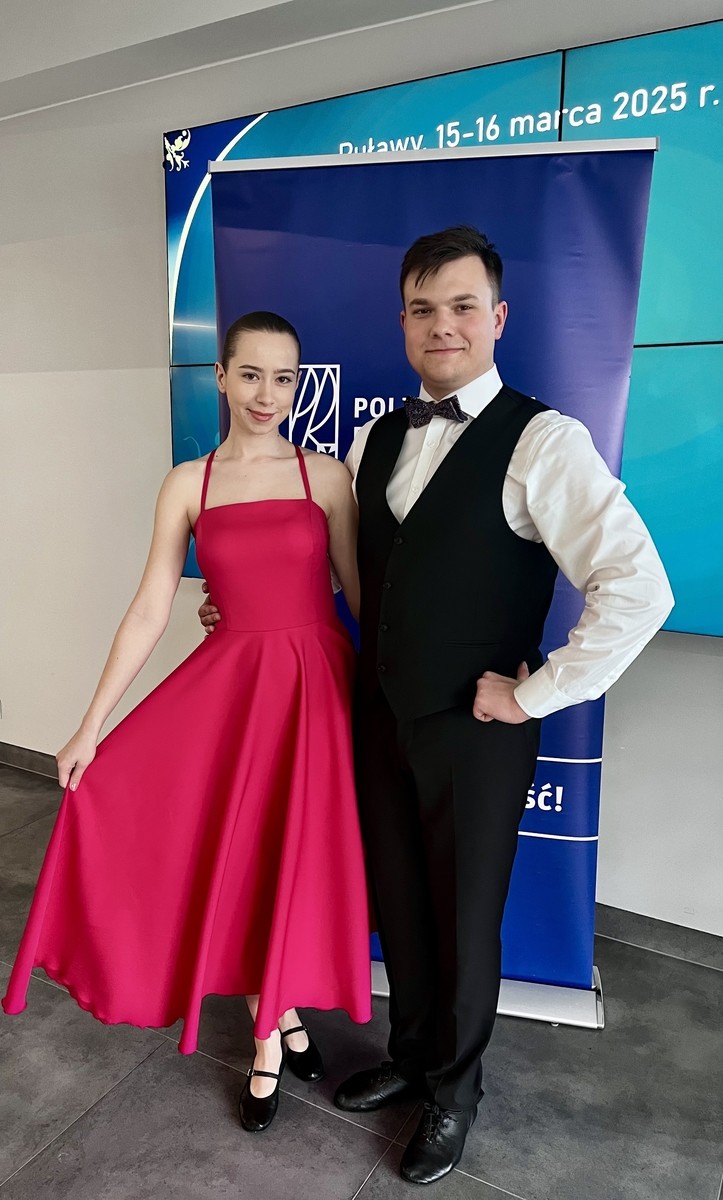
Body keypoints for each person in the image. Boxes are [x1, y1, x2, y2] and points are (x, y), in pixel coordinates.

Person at [198, 227, 674, 1184]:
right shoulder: (374, 439)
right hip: (377, 716)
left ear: (497, 318)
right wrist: (236, 602)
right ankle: (413, 1058)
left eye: (461, 306)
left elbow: (638, 588)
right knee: (404, 905)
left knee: (462, 918)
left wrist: (535, 692)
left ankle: (455, 1093)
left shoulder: (543, 440)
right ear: (403, 324)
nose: (441, 325)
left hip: (477, 730)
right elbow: (330, 564)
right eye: (422, 309)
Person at [2, 311, 372, 1135]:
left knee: (287, 859)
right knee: (235, 858)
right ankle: (275, 1030)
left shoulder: (325, 478)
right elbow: (149, 607)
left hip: (314, 690)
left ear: (299, 384)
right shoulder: (187, 483)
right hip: (232, 689)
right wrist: (90, 725)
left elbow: (359, 592)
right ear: (221, 376)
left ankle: (278, 1022)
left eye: (284, 378)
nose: (267, 393)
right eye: (251, 374)